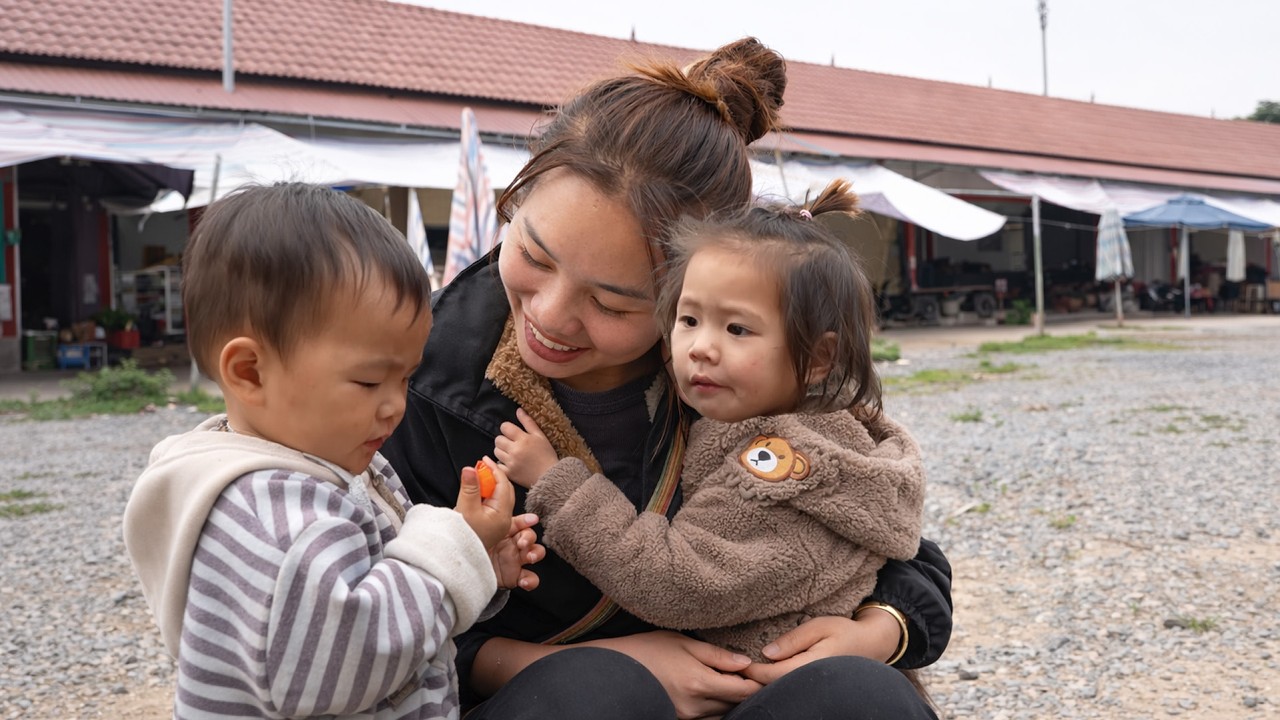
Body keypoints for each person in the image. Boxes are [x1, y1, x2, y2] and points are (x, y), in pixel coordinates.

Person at [381, 37, 952, 720]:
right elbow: (373, 619)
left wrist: (878, 632)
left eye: (613, 302)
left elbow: (890, 540)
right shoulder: (421, 380)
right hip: (552, 700)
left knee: (857, 698)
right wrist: (602, 666)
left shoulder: (747, 371)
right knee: (595, 698)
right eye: (532, 253)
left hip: (745, 695)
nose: (551, 315)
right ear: (516, 203)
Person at [121, 182, 545, 719]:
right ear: (250, 372)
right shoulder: (268, 514)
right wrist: (453, 551)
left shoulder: (325, 460)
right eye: (370, 382)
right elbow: (344, 660)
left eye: (407, 377)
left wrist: (478, 563)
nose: (395, 405)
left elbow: (382, 588)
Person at [496, 180, 926, 674]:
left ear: (818, 359)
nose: (700, 347)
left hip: (775, 689)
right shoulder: (795, 421)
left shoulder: (780, 462)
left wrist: (559, 483)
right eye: (689, 319)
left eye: (737, 329)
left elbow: (679, 582)